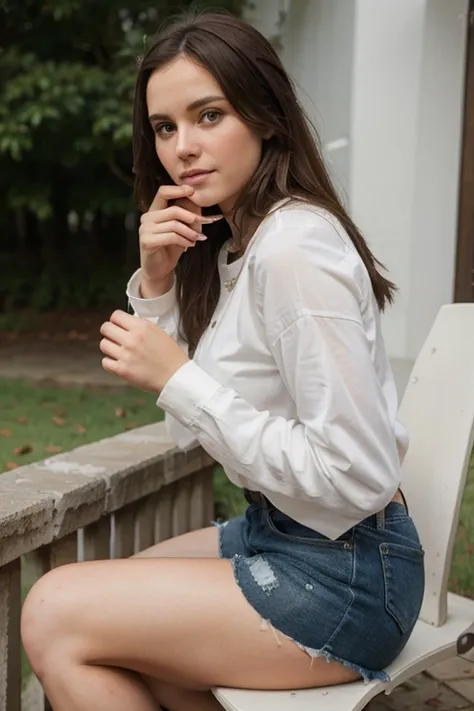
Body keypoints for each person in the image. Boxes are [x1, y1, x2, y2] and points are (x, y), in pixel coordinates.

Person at [21, 10, 425, 711]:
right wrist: (156, 280)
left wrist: (179, 374)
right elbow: (191, 430)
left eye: (209, 115)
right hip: (282, 529)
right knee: (106, 619)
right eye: (166, 126)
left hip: (353, 570)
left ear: (265, 114)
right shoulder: (240, 248)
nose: (183, 147)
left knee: (55, 611)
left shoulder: (295, 249)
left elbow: (357, 475)